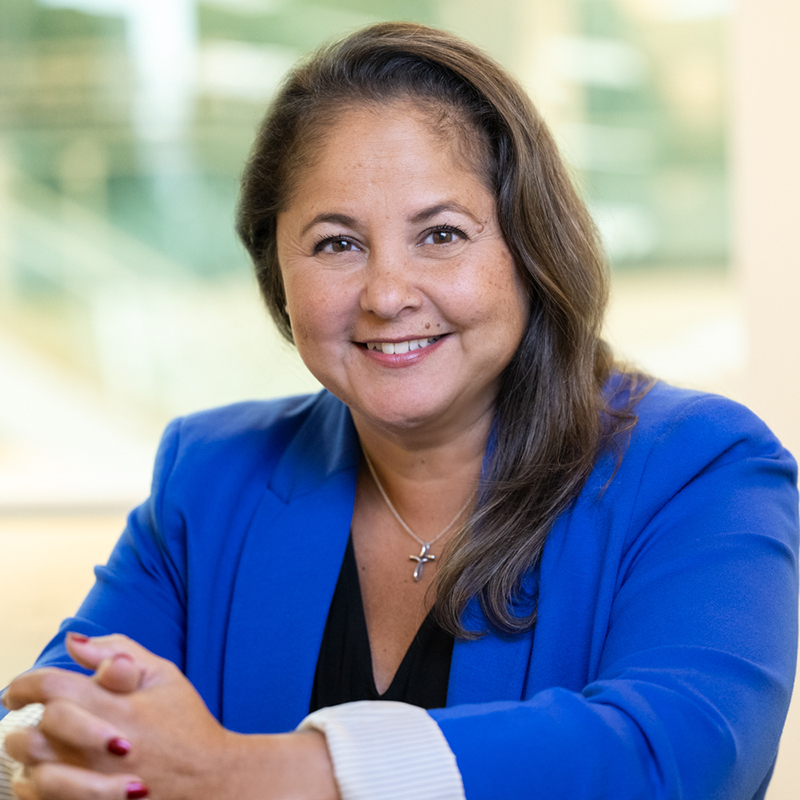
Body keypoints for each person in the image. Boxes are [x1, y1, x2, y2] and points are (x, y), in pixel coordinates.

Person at [1, 20, 798, 800]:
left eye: (442, 234)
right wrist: (64, 744)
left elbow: (675, 758)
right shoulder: (211, 475)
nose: (386, 294)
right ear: (276, 273)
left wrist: (248, 775)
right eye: (336, 244)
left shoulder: (704, 470)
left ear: (531, 247)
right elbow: (58, 715)